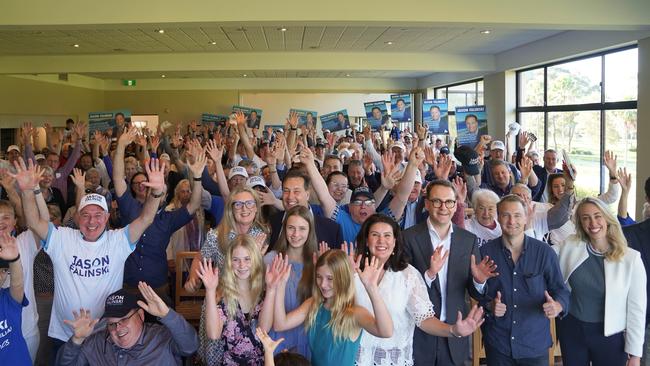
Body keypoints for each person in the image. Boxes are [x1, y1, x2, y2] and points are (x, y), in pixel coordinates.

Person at [15, 157, 166, 356]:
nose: (91, 221)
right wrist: (27, 190)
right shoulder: (62, 238)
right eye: (85, 215)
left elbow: (146, 218)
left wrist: (155, 193)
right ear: (77, 217)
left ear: (106, 217)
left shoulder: (118, 241)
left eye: (98, 215)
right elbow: (34, 222)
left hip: (105, 334)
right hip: (65, 333)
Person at [354, 214, 485, 365]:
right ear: (366, 240)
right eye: (375, 235)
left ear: (395, 242)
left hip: (393, 359)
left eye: (387, 235)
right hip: (354, 357)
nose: (381, 241)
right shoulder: (353, 272)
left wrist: (453, 330)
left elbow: (424, 319)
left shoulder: (407, 274)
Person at [403, 179, 497, 365]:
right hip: (419, 331)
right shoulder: (408, 237)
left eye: (449, 202)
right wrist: (429, 274)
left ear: (455, 206)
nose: (443, 207)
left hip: (455, 329)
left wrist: (479, 281)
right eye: (437, 201)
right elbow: (402, 287)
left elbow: (475, 291)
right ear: (427, 204)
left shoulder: (468, 240)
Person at [479, 194, 570, 365]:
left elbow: (561, 291)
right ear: (498, 218)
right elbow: (477, 294)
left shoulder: (544, 253)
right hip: (498, 344)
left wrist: (558, 305)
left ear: (527, 217)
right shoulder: (485, 252)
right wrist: (490, 305)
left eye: (517, 215)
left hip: (534, 344)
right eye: (506, 215)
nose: (511, 221)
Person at [555, 197, 646, 366]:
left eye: (597, 216)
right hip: (572, 329)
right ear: (580, 223)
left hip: (610, 336)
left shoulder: (631, 259)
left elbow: (637, 310)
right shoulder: (570, 244)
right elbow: (542, 257)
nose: (593, 223)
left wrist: (635, 354)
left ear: (607, 218)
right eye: (585, 218)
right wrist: (529, 226)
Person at [272, 249, 393, 366]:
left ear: (342, 278)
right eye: (319, 277)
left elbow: (386, 332)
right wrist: (281, 285)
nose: (323, 284)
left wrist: (372, 288)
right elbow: (280, 324)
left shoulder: (355, 313)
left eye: (330, 278)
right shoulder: (313, 304)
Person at [56, 283, 198, 365]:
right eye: (112, 324)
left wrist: (168, 315)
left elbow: (191, 346)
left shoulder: (162, 337)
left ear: (141, 316)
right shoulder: (96, 343)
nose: (118, 328)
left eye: (124, 319)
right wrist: (77, 340)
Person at [197, 235, 275, 364]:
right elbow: (213, 334)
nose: (242, 265)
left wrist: (272, 289)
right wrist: (210, 290)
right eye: (236, 260)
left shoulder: (263, 292)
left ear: (255, 260)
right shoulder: (223, 295)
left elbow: (264, 329)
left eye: (247, 259)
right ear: (229, 262)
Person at [264, 205, 318, 357]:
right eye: (291, 228)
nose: (296, 234)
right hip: (278, 336)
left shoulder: (317, 261)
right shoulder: (271, 259)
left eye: (302, 229)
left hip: (307, 336)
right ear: (284, 229)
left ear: (310, 231)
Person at [267, 169, 343, 250]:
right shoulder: (271, 224)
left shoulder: (331, 229)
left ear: (307, 195)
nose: (290, 197)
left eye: (296, 191)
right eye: (286, 191)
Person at [0, 232, 31, 364]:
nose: (1, 275)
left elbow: (17, 283)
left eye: (2, 270)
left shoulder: (7, 299)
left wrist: (14, 259)